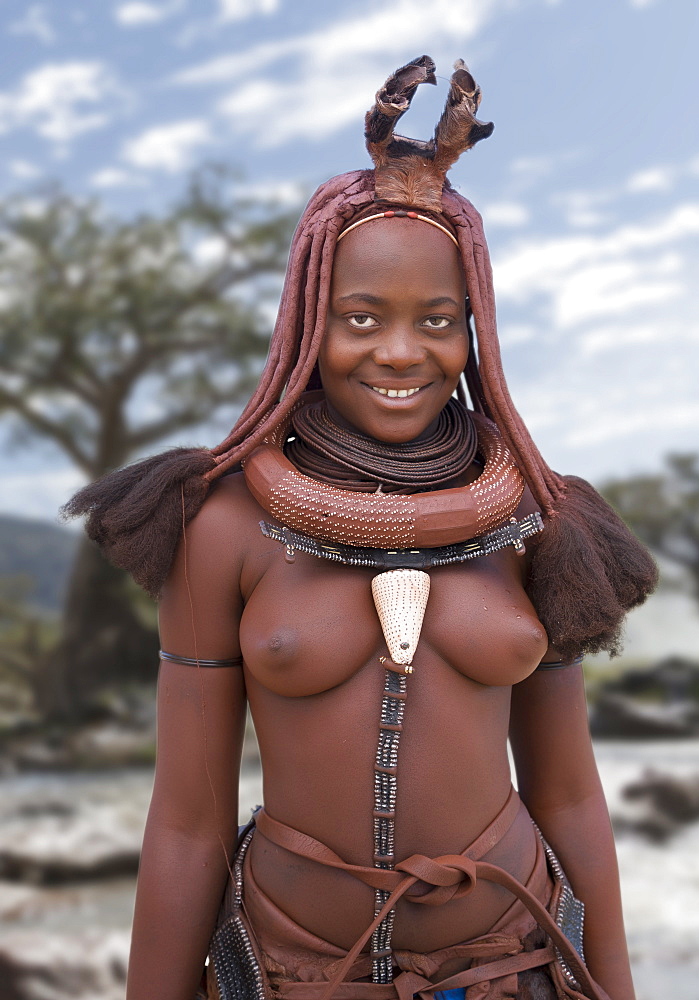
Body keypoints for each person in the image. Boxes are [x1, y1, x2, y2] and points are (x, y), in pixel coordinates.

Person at [63, 57, 657, 1000]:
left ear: (477, 332)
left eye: (438, 320)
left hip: (515, 963)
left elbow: (571, 795)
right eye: (360, 317)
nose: (398, 351)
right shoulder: (222, 524)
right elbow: (186, 824)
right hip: (294, 970)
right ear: (308, 322)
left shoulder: (537, 517)